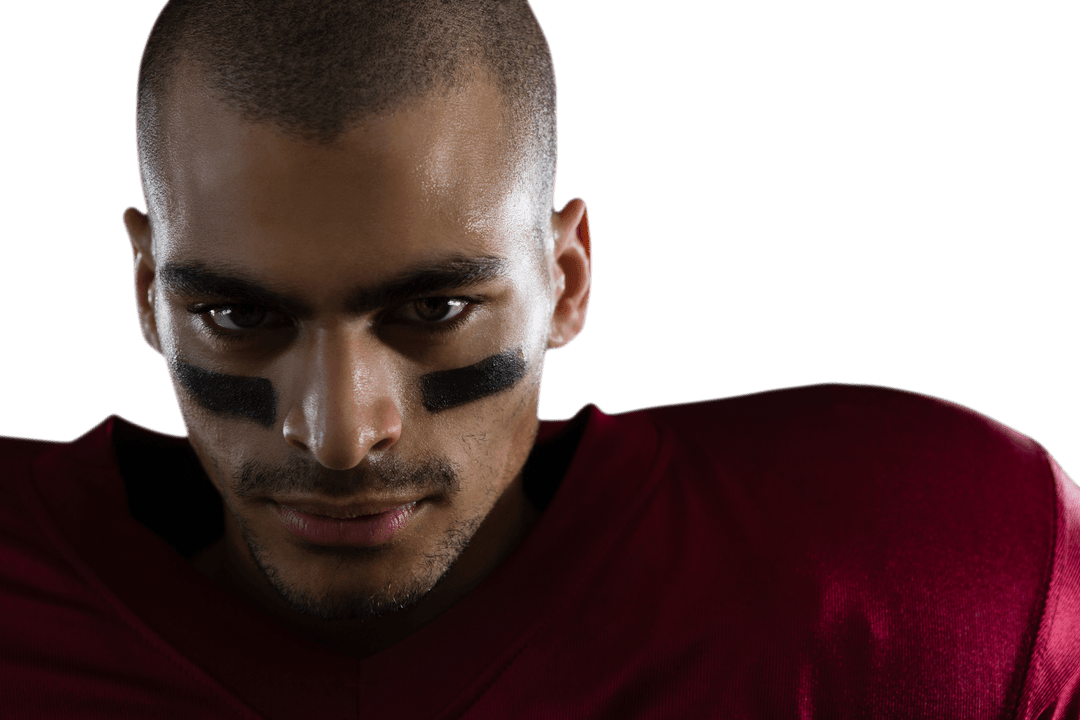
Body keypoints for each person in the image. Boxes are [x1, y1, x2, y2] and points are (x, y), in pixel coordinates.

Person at [1, 0, 1078, 717]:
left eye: (433, 307)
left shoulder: (919, 577)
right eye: (239, 317)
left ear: (565, 278)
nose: (337, 433)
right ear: (148, 292)